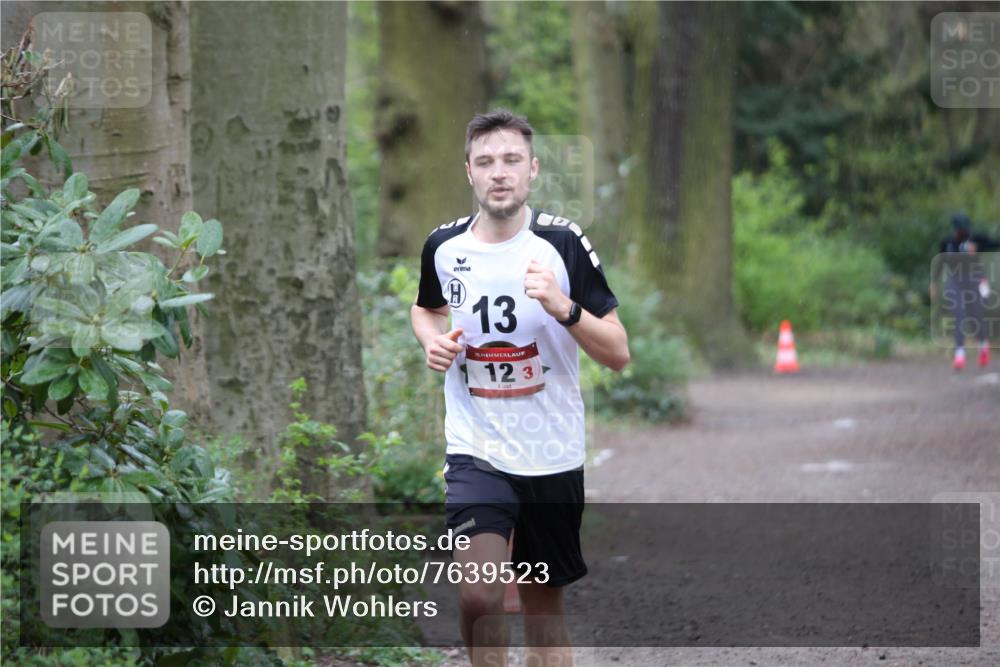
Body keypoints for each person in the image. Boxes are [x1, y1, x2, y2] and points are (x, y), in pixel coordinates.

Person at [410, 109, 630, 667]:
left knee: (544, 622)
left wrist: (564, 307)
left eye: (510, 160)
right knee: (480, 594)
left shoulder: (562, 243)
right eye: (485, 162)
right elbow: (426, 308)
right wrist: (431, 340)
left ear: (532, 170)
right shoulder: (443, 246)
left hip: (551, 452)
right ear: (469, 173)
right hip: (476, 449)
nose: (498, 172)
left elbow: (618, 352)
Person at [932, 212, 999, 370]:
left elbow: (995, 243)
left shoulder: (976, 239)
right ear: (955, 229)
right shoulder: (948, 242)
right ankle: (959, 355)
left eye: (965, 229)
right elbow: (941, 261)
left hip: (973, 280)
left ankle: (983, 345)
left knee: (976, 315)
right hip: (955, 281)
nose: (964, 232)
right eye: (961, 229)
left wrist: (977, 250)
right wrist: (934, 282)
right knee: (958, 315)